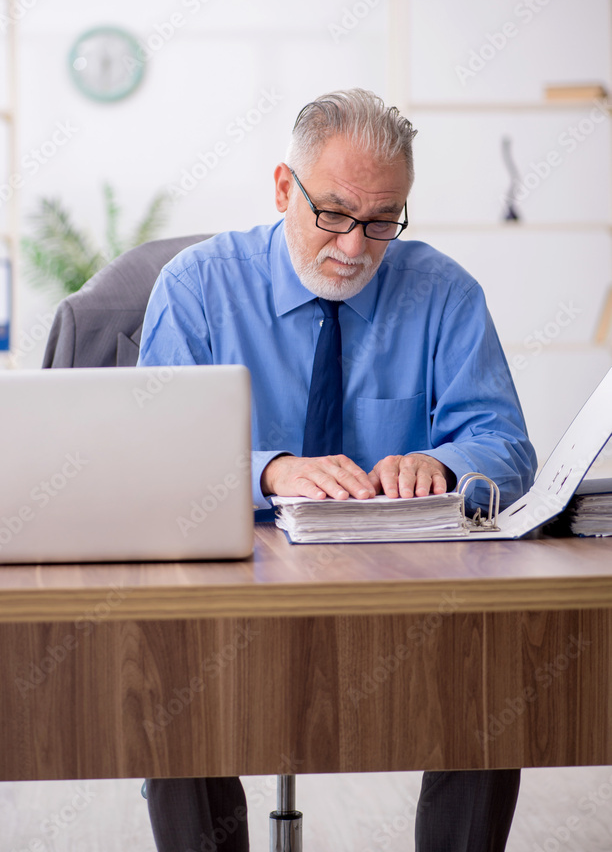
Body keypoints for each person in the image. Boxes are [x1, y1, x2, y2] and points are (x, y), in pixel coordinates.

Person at [138, 88, 537, 852]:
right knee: (170, 694)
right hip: (233, 597)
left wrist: (444, 463)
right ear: (284, 188)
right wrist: (270, 470)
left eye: (382, 220)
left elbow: (507, 444)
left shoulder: (443, 293)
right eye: (334, 215)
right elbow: (155, 457)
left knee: (493, 686)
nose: (355, 247)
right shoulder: (196, 289)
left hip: (405, 598)